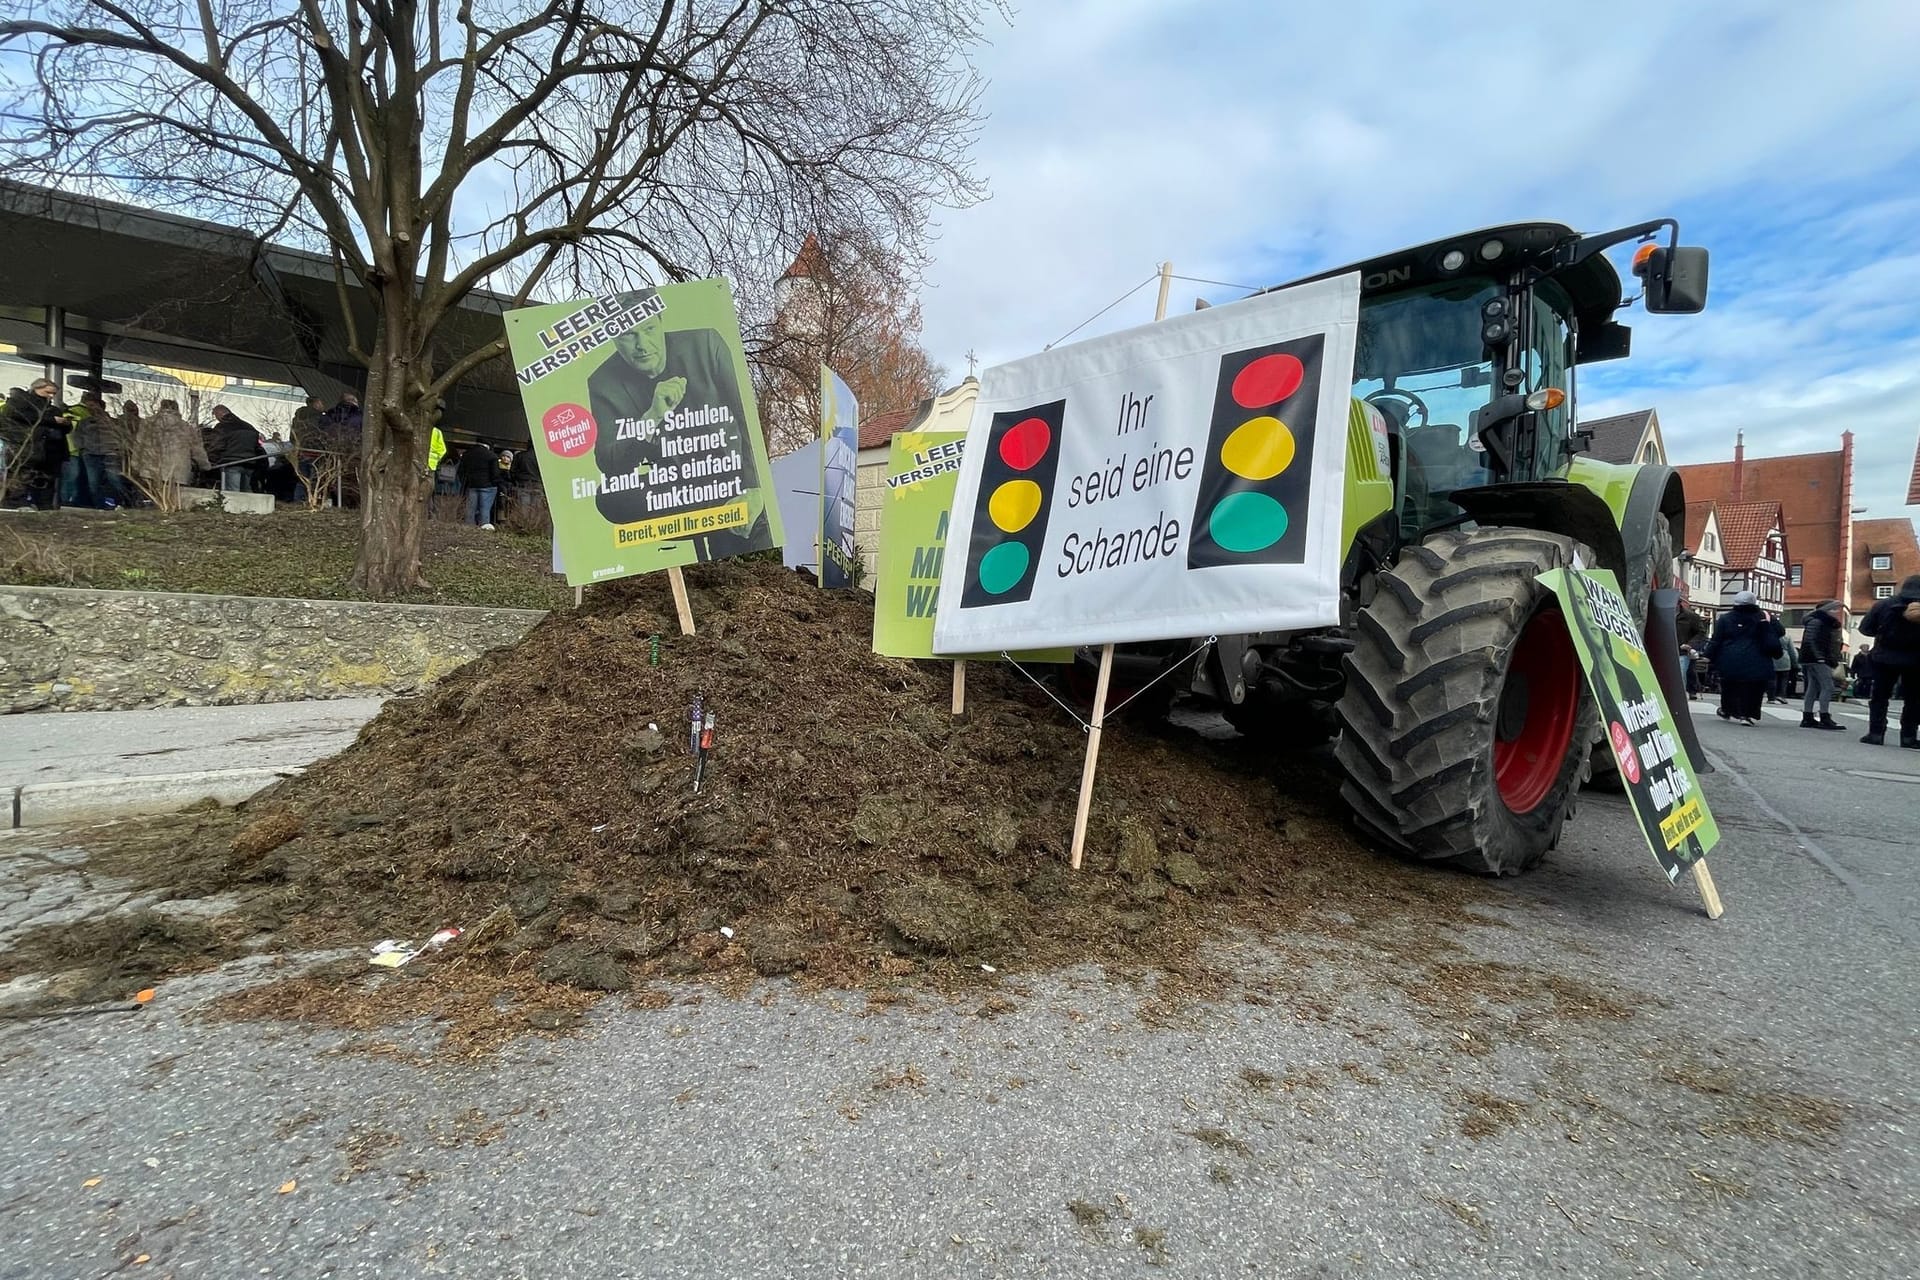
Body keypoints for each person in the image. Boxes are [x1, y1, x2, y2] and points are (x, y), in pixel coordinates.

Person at [586, 289, 771, 559]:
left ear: (661, 323)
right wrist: (652, 416)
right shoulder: (602, 382)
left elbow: (746, 417)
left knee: (748, 539)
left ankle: (727, 524)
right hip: (673, 486)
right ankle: (718, 517)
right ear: (614, 339)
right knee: (609, 496)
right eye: (628, 335)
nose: (642, 344)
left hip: (725, 472)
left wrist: (754, 487)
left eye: (649, 329)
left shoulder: (705, 344)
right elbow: (608, 462)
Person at [1858, 574, 1920, 747]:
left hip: (1884, 658)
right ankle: (1909, 737)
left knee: (1879, 696)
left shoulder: (1884, 604)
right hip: (1916, 660)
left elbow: (1865, 629)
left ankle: (1876, 733)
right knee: (1913, 699)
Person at [1703, 589, 1781, 725]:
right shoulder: (1763, 616)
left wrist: (1708, 656)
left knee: (1729, 686)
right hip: (1758, 658)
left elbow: (1716, 640)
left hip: (1730, 658)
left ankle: (1727, 709)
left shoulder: (1726, 618)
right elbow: (1780, 632)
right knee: (1755, 688)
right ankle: (1747, 714)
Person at [2, 378, 68, 508]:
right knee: (19, 483)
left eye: (53, 394)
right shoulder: (20, 403)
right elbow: (14, 416)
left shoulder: (52, 409)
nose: (51, 396)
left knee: (45, 487)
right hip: (25, 449)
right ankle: (15, 506)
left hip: (48, 453)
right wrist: (51, 420)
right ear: (36, 388)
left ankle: (45, 509)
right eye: (48, 392)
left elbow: (64, 430)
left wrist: (64, 424)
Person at [141, 399, 210, 495]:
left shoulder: (148, 424)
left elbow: (139, 445)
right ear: (177, 409)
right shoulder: (185, 427)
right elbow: (197, 449)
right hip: (178, 471)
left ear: (160, 408)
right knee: (174, 499)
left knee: (154, 498)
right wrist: (205, 465)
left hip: (151, 469)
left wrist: (136, 465)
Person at [1797, 599, 1847, 731]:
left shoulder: (1822, 622)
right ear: (1825, 610)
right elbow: (1810, 640)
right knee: (1828, 686)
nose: (1835, 612)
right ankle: (1824, 717)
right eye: (1833, 609)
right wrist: (1819, 657)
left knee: (1813, 687)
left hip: (1815, 658)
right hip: (1817, 659)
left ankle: (1808, 717)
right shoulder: (1818, 621)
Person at [75, 393, 127, 508]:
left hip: (110, 454)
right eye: (90, 407)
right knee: (93, 482)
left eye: (94, 406)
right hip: (91, 454)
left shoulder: (113, 422)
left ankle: (121, 503)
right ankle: (99, 505)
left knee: (115, 480)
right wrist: (83, 448)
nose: (92, 409)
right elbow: (78, 437)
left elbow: (122, 437)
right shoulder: (84, 422)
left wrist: (118, 449)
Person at [207, 405, 262, 492]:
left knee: (232, 493)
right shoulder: (249, 426)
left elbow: (216, 446)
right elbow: (257, 447)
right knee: (247, 493)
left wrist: (211, 461)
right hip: (250, 463)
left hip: (231, 463)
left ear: (219, 414)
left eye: (215, 416)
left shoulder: (223, 427)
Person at [457, 441, 497, 528]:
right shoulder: (491, 456)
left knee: (470, 510)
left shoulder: (467, 454)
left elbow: (461, 471)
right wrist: (495, 483)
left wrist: (466, 482)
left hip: (472, 485)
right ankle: (483, 527)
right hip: (488, 486)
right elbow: (495, 474)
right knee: (485, 509)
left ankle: (469, 528)